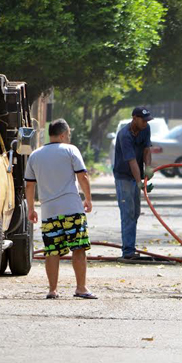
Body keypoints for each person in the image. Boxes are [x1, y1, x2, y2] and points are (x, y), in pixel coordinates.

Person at [24, 119, 96, 299]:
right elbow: (83, 176)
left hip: (49, 213)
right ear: (63, 135)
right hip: (72, 209)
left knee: (51, 251)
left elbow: (29, 186)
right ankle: (81, 288)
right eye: (68, 135)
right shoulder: (71, 150)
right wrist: (88, 198)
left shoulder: (35, 155)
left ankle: (52, 290)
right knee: (78, 249)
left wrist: (31, 209)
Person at [112, 106, 155, 260]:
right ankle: (128, 251)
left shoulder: (146, 129)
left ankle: (130, 247)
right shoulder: (124, 135)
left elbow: (146, 150)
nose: (145, 123)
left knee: (135, 212)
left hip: (136, 175)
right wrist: (139, 182)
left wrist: (148, 168)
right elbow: (131, 161)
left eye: (147, 120)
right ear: (134, 118)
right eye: (143, 120)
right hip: (124, 176)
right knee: (127, 212)